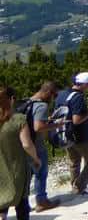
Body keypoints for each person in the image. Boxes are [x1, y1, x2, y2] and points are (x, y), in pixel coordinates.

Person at [0, 86, 41, 220]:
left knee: (2, 197)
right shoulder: (19, 119)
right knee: (22, 201)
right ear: (11, 99)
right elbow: (27, 144)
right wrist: (36, 159)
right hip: (17, 167)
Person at [19, 83, 58, 211]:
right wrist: (56, 125)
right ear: (48, 92)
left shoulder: (27, 102)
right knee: (41, 173)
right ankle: (41, 201)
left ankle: (23, 204)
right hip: (36, 145)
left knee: (26, 176)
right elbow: (38, 127)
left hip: (22, 145)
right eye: (54, 95)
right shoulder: (42, 106)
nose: (53, 98)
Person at [59, 72, 88, 196]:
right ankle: (79, 187)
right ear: (84, 84)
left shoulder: (62, 95)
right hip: (80, 136)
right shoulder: (78, 97)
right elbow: (76, 120)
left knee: (74, 162)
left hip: (66, 135)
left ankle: (74, 187)